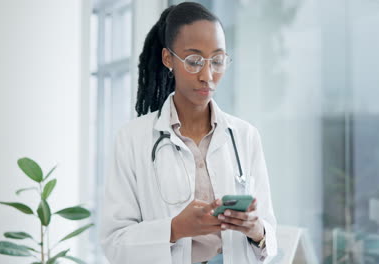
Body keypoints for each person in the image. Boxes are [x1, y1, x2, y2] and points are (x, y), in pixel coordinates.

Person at [100, 2, 277, 263]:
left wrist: (255, 229)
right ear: (168, 58)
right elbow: (114, 244)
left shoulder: (245, 136)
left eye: (217, 61)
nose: (207, 75)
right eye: (194, 61)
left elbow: (269, 235)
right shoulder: (132, 139)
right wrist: (175, 229)